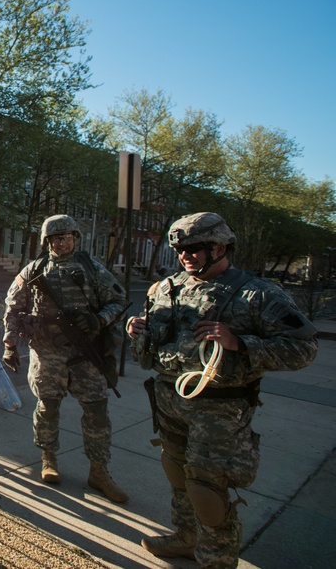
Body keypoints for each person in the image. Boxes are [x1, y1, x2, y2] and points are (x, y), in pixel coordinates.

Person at [127, 212, 318, 568]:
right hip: (170, 402)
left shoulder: (257, 293)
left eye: (195, 248)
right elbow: (153, 347)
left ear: (219, 247)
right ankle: (187, 539)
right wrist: (139, 330)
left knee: (207, 490)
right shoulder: (168, 288)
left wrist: (239, 343)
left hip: (218, 411)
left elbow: (304, 348)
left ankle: (217, 559)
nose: (186, 256)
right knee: (178, 474)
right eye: (180, 249)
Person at [1, 214, 129, 503]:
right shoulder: (34, 270)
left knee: (97, 411)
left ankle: (99, 470)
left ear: (75, 238)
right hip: (48, 352)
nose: (62, 243)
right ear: (47, 241)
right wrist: (9, 341)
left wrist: (98, 320)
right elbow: (13, 305)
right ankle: (48, 458)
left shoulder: (93, 270)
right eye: (56, 238)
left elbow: (118, 302)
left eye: (67, 237)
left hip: (86, 353)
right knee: (48, 406)